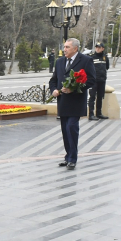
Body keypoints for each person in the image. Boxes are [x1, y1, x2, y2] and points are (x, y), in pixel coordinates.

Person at [49, 38, 97, 170]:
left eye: (67, 47)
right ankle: (68, 156)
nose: (64, 49)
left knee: (71, 128)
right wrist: (54, 90)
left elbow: (91, 80)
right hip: (63, 102)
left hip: (76, 102)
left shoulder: (86, 60)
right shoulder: (60, 61)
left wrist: (73, 89)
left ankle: (72, 159)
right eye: (64, 47)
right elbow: (53, 80)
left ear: (75, 48)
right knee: (65, 130)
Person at [88, 43, 109, 120]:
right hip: (93, 80)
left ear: (103, 48)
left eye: (99, 47)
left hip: (102, 80)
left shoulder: (105, 57)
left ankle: (99, 113)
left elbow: (107, 67)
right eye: (96, 47)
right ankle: (91, 114)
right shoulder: (91, 57)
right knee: (92, 97)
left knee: (100, 97)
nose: (97, 49)